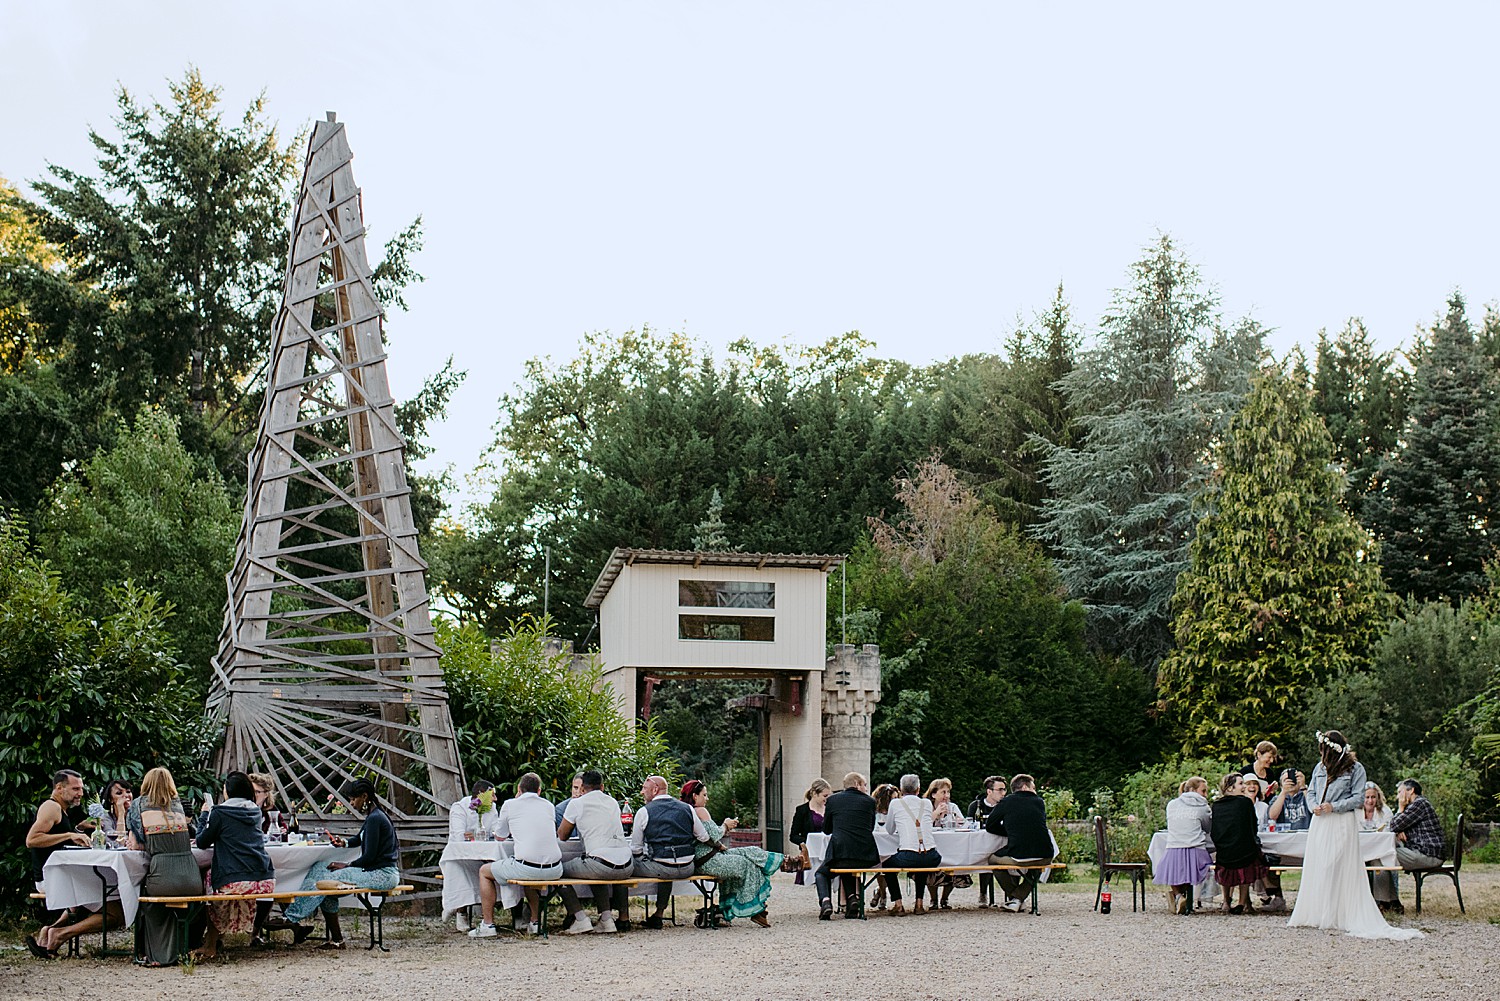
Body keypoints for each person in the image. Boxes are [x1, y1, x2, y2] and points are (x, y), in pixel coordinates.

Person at [1288, 730, 1421, 939]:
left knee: (1336, 864)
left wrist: (1334, 806)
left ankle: (1338, 912)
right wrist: (1314, 806)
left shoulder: (1355, 769)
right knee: (1320, 864)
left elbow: (1358, 798)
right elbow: (1311, 791)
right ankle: (1318, 911)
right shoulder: (1319, 767)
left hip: (1341, 821)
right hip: (1320, 821)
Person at [285, 779, 401, 949]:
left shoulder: (376, 818)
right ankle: (337, 940)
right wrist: (344, 843)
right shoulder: (373, 816)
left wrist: (346, 865)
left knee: (326, 884)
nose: (352, 803)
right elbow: (359, 839)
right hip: (375, 870)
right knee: (320, 868)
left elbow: (369, 857)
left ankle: (291, 918)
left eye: (354, 799)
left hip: (383, 874)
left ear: (364, 796)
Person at [468, 772, 563, 938]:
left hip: (528, 868)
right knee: (529, 870)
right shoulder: (548, 805)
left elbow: (500, 836)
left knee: (484, 871)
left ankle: (488, 924)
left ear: (519, 789)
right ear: (539, 791)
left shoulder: (510, 805)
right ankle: (534, 922)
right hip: (555, 868)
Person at [193, 771, 275, 959]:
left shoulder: (220, 812)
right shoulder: (255, 810)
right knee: (222, 877)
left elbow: (202, 842)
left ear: (228, 791)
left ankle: (211, 943)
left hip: (236, 880)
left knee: (209, 877)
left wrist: (205, 815)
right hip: (264, 878)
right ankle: (239, 932)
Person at [682, 779, 785, 927]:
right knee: (748, 864)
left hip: (705, 857)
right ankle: (756, 910)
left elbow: (705, 837)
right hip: (708, 860)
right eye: (704, 795)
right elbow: (713, 835)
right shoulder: (700, 811)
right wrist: (725, 825)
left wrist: (720, 841)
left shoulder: (687, 811)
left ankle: (788, 861)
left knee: (750, 851)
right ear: (694, 796)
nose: (707, 798)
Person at [128, 767, 203, 966]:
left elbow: (135, 845)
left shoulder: (138, 806)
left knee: (147, 900)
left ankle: (156, 955)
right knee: (177, 902)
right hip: (192, 876)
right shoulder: (179, 806)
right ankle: (182, 948)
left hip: (162, 872)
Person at [24, 769, 101, 960]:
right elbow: (32, 840)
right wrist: (69, 835)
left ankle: (48, 934)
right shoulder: (51, 807)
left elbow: (56, 840)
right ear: (59, 788)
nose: (80, 794)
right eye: (75, 789)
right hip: (49, 879)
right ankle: (57, 934)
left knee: (95, 897)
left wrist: (78, 829)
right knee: (110, 903)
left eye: (81, 789)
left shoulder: (61, 810)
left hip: (58, 875)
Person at [555, 769, 632, 935]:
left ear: (582, 788)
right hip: (627, 865)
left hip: (600, 864)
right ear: (602, 787)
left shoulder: (576, 804)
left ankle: (580, 918)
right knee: (594, 867)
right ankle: (607, 919)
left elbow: (562, 835)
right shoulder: (612, 802)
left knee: (556, 872)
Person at [630, 774, 710, 929]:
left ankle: (622, 917)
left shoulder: (644, 811)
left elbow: (636, 849)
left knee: (624, 866)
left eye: (644, 788)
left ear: (654, 790)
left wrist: (643, 859)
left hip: (662, 868)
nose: (641, 792)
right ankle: (658, 915)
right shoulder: (687, 808)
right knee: (665, 868)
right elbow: (703, 836)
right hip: (687, 867)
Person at [814, 772, 879, 921]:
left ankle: (825, 902)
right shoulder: (870, 802)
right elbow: (870, 827)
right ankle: (852, 900)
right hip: (865, 855)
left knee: (822, 873)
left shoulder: (833, 800)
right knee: (846, 867)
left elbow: (826, 829)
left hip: (841, 852)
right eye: (864, 785)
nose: (866, 788)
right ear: (857, 784)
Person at [984, 773, 1054, 912]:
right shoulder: (1039, 802)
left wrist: (1009, 831)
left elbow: (990, 825)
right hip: (1046, 855)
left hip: (1019, 855)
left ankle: (1015, 898)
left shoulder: (1007, 802)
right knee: (1037, 865)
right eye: (1033, 787)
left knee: (992, 860)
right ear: (1024, 787)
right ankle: (1018, 898)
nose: (1035, 791)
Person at [881, 773, 940, 916]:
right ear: (918, 789)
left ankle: (898, 904)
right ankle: (919, 903)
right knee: (921, 864)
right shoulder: (926, 803)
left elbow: (889, 830)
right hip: (932, 855)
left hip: (909, 855)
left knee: (887, 865)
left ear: (901, 790)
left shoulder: (895, 803)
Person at [1155, 777, 1212, 915]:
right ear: (1193, 790)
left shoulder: (1172, 804)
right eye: (1203, 791)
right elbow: (1208, 827)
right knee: (1192, 865)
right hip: (1196, 850)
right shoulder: (1203, 806)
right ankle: (1185, 898)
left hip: (1173, 849)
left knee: (1173, 867)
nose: (1205, 795)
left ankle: (1179, 896)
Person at [1388, 778, 1445, 915]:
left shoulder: (1419, 804)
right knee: (1383, 855)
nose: (1398, 796)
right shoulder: (1415, 807)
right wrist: (1400, 828)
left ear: (1411, 790)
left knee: (1382, 854)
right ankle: (1389, 901)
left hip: (1428, 855)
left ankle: (1388, 902)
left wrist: (1400, 809)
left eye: (1400, 792)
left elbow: (1393, 825)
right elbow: (1397, 826)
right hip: (1422, 852)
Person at [923, 777, 966, 909]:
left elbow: (963, 823)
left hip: (950, 844)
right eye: (943, 792)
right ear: (934, 794)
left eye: (948, 792)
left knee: (953, 864)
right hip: (931, 844)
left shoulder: (952, 807)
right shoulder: (926, 807)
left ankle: (945, 899)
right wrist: (936, 813)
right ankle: (933, 899)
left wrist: (958, 821)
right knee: (931, 868)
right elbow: (924, 824)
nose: (946, 796)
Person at [1359, 782, 1399, 911]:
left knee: (1380, 864)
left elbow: (1388, 834)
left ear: (1378, 798)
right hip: (1359, 850)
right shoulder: (1355, 812)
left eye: (1373, 797)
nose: (1370, 801)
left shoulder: (1385, 812)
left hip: (1378, 849)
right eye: (1367, 797)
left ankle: (1383, 901)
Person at [968, 776, 1006, 907]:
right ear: (989, 791)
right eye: (1000, 790)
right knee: (985, 856)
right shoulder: (976, 805)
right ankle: (983, 893)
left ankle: (1011, 894)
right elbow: (970, 824)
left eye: (1004, 790)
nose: (1003, 793)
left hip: (1001, 841)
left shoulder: (1005, 805)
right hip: (981, 842)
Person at [789, 778, 831, 886]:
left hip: (827, 853)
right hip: (810, 855)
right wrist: (806, 843)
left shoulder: (830, 809)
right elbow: (793, 835)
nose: (827, 799)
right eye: (825, 796)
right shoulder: (802, 810)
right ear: (815, 794)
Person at [867, 783, 898, 910]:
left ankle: (880, 892)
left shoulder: (897, 811)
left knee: (893, 864)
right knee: (881, 864)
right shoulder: (874, 813)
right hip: (878, 842)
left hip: (893, 842)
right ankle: (883, 893)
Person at [247, 772, 291, 840]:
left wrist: (282, 831)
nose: (252, 794)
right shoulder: (243, 809)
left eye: (256, 792)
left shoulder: (272, 810)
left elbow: (283, 831)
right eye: (250, 791)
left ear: (266, 794)